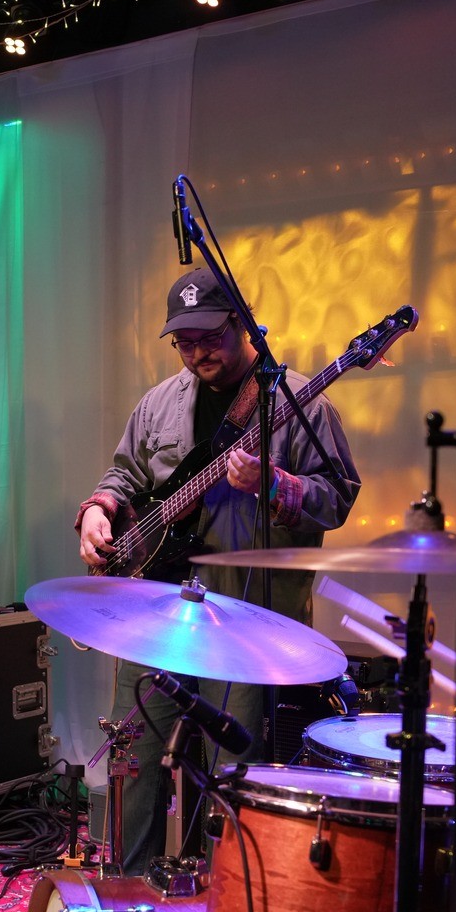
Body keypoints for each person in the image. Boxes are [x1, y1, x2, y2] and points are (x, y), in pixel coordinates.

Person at [76, 267, 361, 875]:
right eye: (183, 342)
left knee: (232, 774)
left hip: (246, 623)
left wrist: (273, 483)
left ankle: (223, 906)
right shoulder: (159, 403)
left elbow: (337, 497)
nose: (196, 352)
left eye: (209, 337)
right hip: (155, 610)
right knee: (132, 753)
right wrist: (99, 509)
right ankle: (128, 893)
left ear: (242, 324)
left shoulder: (299, 402)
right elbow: (123, 474)